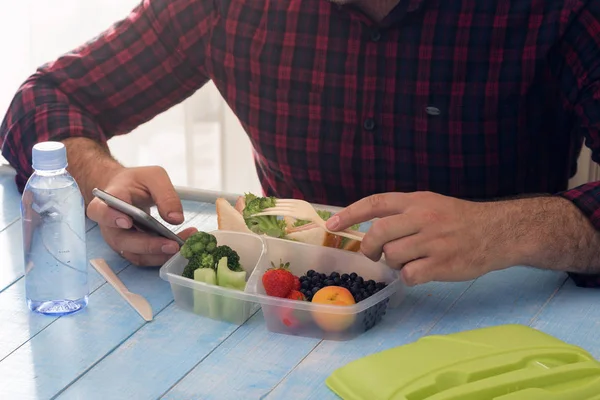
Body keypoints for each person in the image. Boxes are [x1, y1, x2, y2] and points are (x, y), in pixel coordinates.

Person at [1, 0, 599, 287]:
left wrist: (511, 230)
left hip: (502, 318)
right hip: (280, 319)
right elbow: (43, 99)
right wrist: (102, 179)